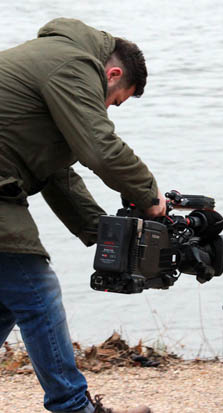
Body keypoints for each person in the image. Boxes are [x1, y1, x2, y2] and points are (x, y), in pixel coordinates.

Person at [0, 18, 166, 413]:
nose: (107, 109)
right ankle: (73, 407)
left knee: (8, 297)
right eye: (114, 102)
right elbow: (99, 147)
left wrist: (102, 231)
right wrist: (150, 196)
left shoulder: (52, 58)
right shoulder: (73, 65)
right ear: (113, 74)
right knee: (37, 293)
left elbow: (57, 171)